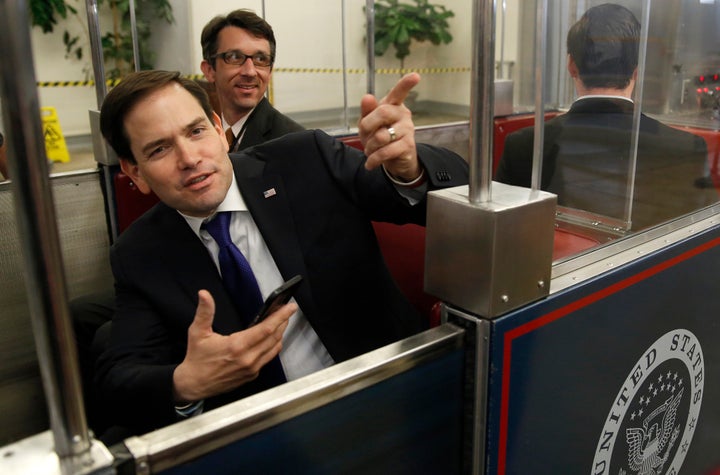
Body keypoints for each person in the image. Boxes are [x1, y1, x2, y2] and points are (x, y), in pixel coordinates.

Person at [93, 69, 468, 436]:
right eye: (159, 149)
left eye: (196, 131)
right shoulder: (140, 252)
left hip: (386, 393)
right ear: (135, 172)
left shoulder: (305, 160)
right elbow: (119, 378)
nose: (189, 158)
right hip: (264, 439)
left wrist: (409, 168)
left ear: (220, 130)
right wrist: (185, 382)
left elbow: (448, 196)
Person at [495, 3, 713, 230]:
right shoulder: (687, 148)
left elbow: (504, 235)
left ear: (571, 66)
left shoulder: (523, 147)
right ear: (636, 71)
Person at [200, 9, 304, 152]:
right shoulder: (203, 137)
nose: (250, 72)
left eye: (261, 59)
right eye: (235, 57)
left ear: (270, 71)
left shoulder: (294, 144)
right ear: (210, 70)